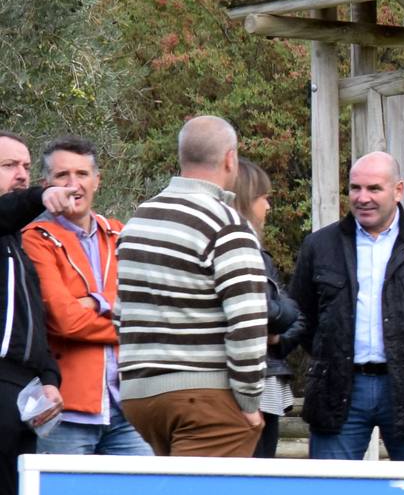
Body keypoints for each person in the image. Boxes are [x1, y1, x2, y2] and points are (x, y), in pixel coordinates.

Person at [289, 152, 404, 462]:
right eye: (355, 188)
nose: (362, 198)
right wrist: (330, 350)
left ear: (398, 190)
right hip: (338, 386)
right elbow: (302, 314)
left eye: (373, 189)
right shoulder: (320, 246)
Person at [116, 116, 270, 457]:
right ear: (231, 158)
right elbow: (247, 324)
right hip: (205, 396)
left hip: (140, 396)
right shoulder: (228, 225)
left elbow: (120, 313)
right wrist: (248, 402)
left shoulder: (138, 220)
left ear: (182, 155)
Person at [22, 137, 149, 456]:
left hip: (129, 407)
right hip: (65, 411)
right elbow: (63, 321)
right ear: (45, 185)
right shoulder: (35, 239)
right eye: (62, 175)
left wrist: (93, 300)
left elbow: (148, 307)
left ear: (98, 181)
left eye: (82, 174)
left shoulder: (121, 234)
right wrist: (125, 321)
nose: (73, 184)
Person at [1, 130, 71, 495]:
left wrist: (49, 375)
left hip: (22, 394)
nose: (24, 174)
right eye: (11, 166)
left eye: (27, 166)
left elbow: (34, 323)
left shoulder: (18, 245)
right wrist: (41, 198)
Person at [228, 160, 302, 459]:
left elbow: (291, 313)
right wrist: (270, 317)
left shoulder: (263, 257)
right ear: (246, 199)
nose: (268, 207)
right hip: (236, 385)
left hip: (267, 378)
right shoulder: (232, 251)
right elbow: (265, 311)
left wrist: (277, 338)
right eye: (263, 197)